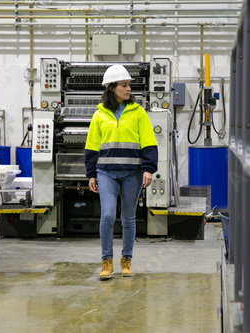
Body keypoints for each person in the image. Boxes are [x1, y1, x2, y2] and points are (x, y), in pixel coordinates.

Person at [84, 64, 158, 280]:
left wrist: (148, 169)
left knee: (128, 218)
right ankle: (106, 261)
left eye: (128, 85)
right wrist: (91, 174)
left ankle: (126, 260)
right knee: (107, 216)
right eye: (124, 85)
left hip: (132, 173)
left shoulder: (138, 113)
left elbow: (148, 142)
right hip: (106, 172)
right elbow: (92, 146)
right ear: (111, 88)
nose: (128, 89)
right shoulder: (100, 115)